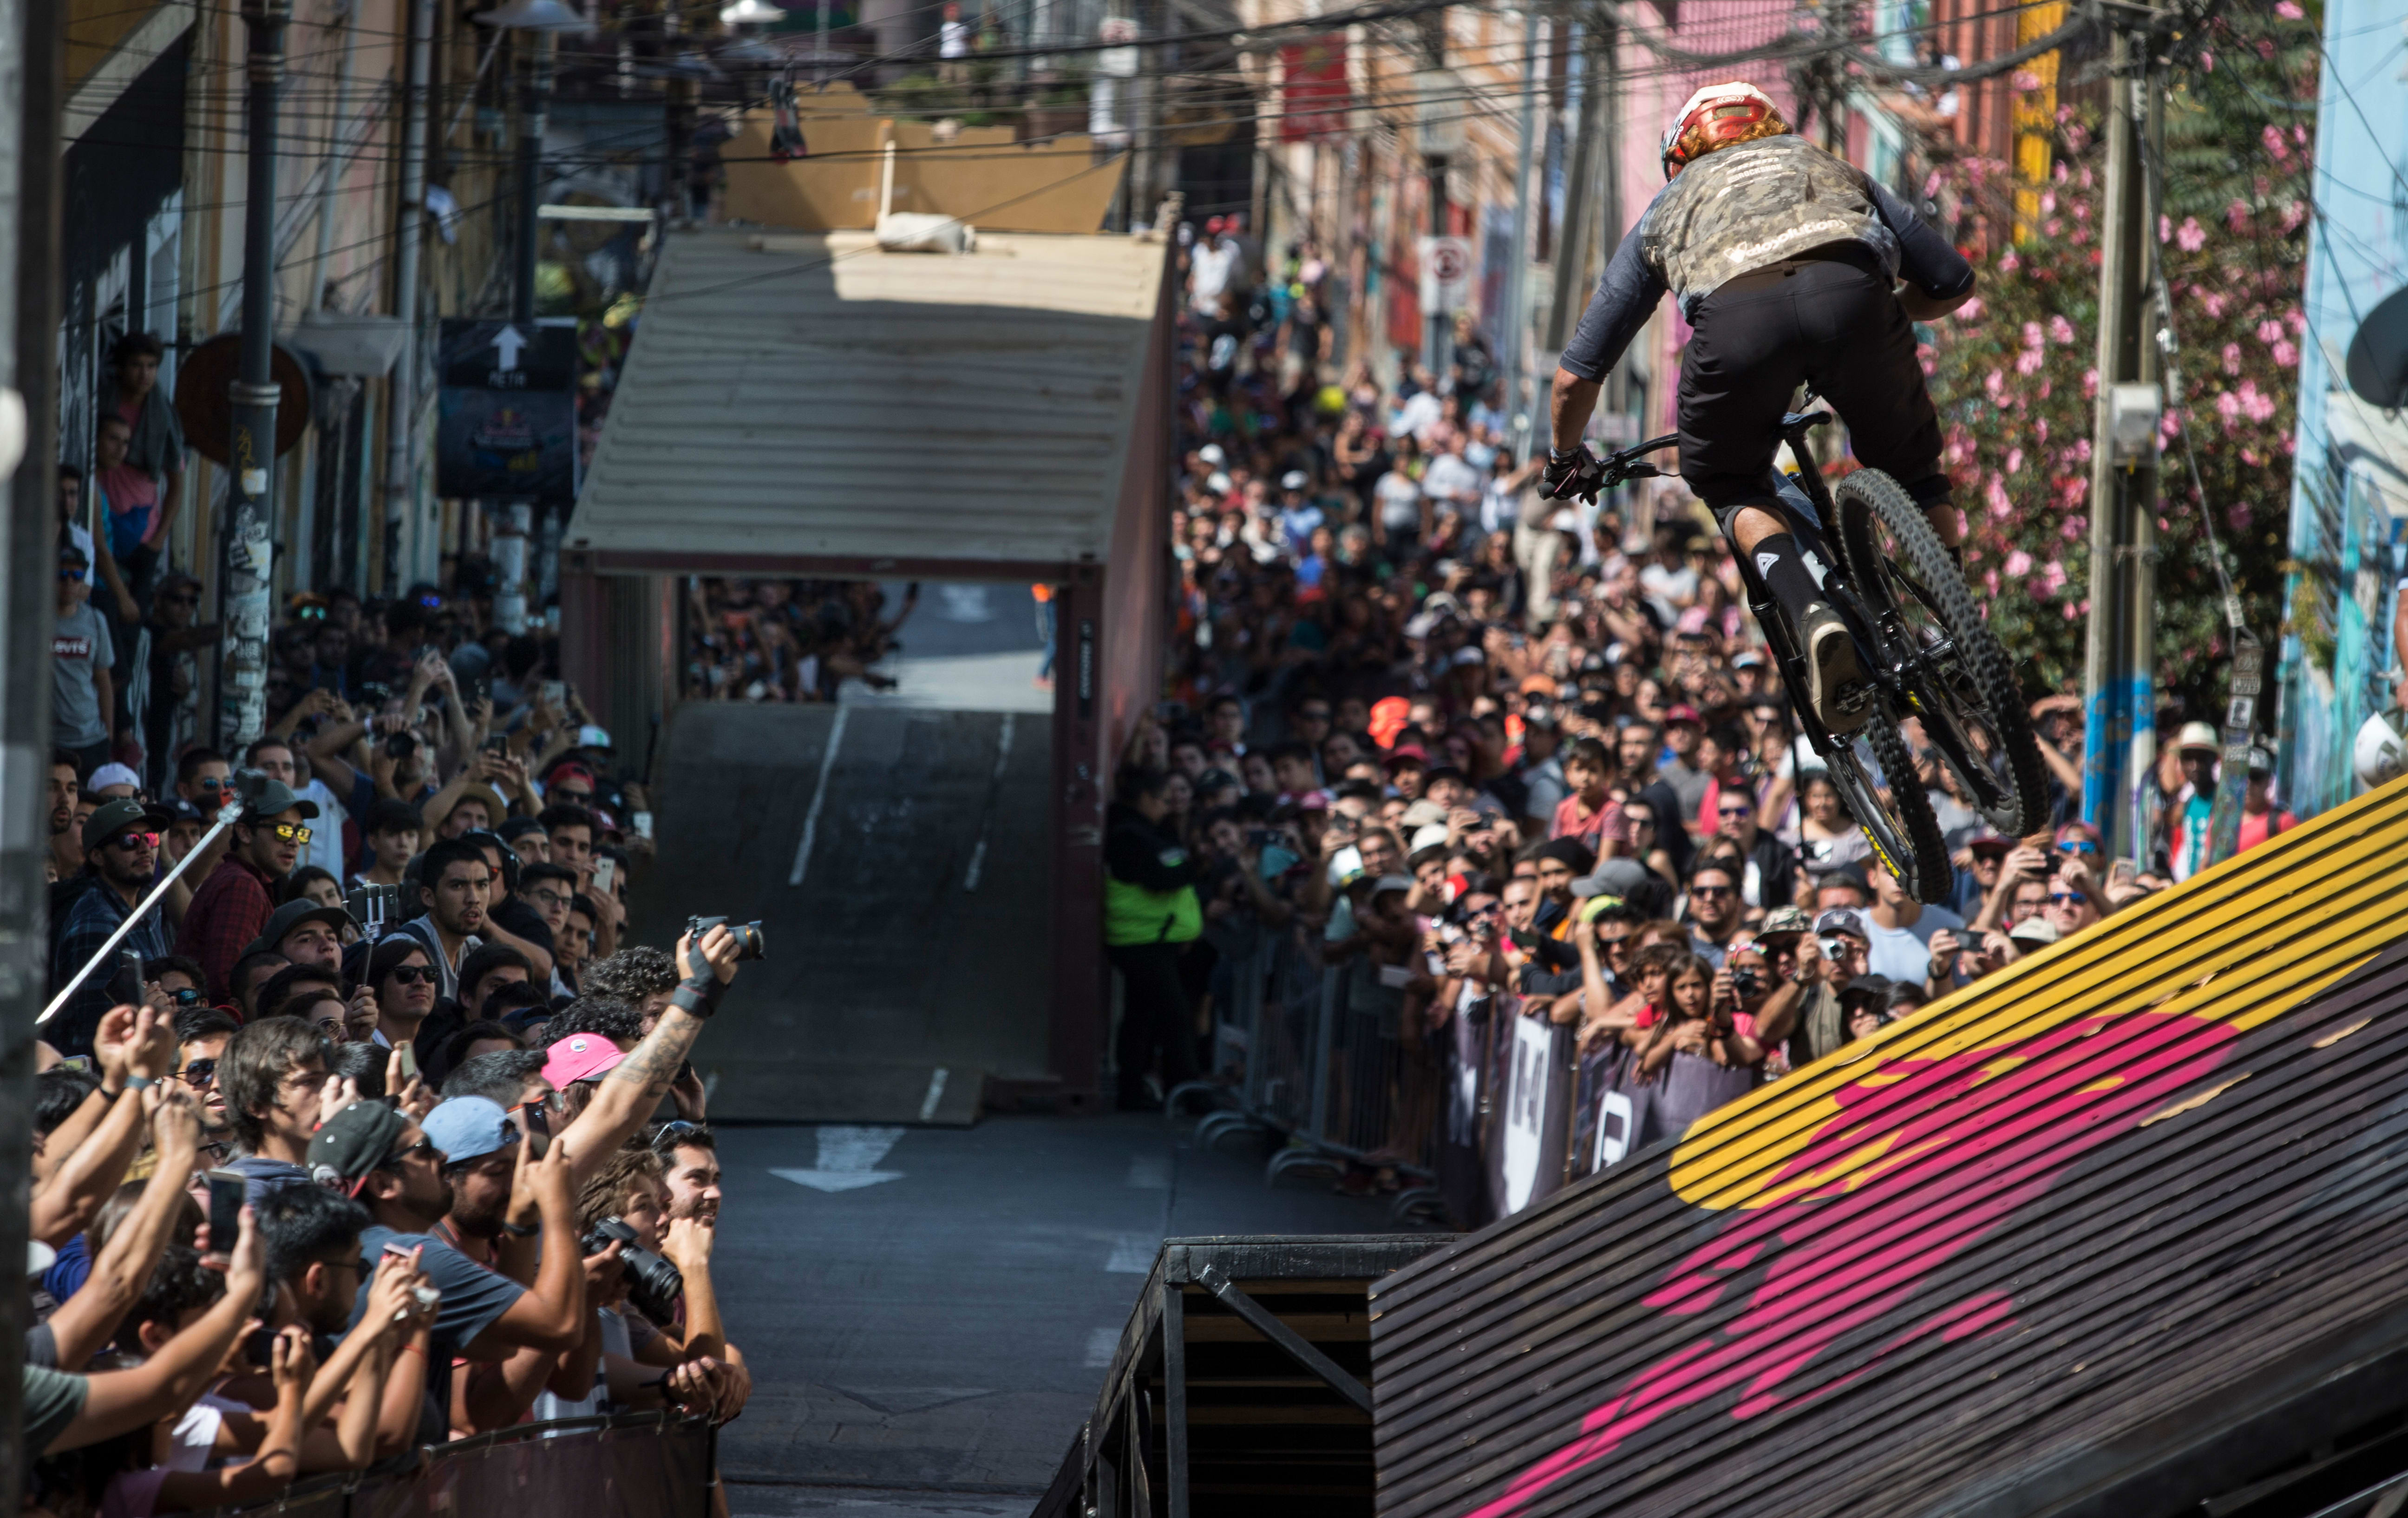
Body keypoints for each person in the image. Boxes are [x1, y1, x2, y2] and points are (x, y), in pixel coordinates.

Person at [1543, 81, 1977, 734]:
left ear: (1681, 155)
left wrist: (1564, 457)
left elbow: (1576, 379)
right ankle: (1964, 625)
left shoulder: (1670, 207)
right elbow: (1951, 282)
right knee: (1915, 469)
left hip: (1738, 330)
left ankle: (1812, 616)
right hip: (1856, 298)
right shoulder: (1830, 166)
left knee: (1729, 480)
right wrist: (1882, 312)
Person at [1103, 768, 1203, 1110]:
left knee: (1141, 1015)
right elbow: (1166, 875)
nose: (1166, 809)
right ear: (1146, 799)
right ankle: (1189, 1092)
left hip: (1150, 940)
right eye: (1162, 801)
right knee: (1175, 1016)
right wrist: (1193, 865)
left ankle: (1131, 1090)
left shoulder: (1147, 832)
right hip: (1143, 942)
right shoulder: (1130, 836)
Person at [48, 799, 176, 1051]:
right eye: (129, 841)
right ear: (97, 856)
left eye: (150, 839)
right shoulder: (95, 921)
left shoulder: (150, 909)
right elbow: (94, 1031)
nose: (144, 849)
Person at [176, 777, 318, 1001]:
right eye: (282, 830)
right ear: (244, 833)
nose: (293, 842)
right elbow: (226, 980)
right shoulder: (241, 886)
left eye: (300, 833)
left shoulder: (243, 880)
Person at [393, 837, 492, 1004]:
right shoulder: (404, 949)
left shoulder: (474, 948)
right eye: (458, 886)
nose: (473, 899)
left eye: (482, 885)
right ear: (428, 897)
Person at [53, 542, 117, 778]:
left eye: (77, 575)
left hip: (90, 739)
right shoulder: (35, 620)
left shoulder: (96, 620)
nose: (69, 581)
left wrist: (109, 735)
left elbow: (104, 681)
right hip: (48, 740)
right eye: (62, 574)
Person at [1862, 858, 1965, 986]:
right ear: (1873, 878)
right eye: (1889, 871)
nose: (1899, 879)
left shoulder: (1952, 926)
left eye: (1909, 871)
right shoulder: (1856, 929)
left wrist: (1940, 970)